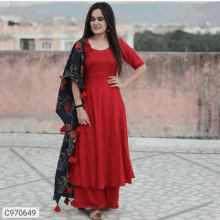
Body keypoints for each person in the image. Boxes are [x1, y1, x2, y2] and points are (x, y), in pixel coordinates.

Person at [54, 2, 147, 219]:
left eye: (100, 19)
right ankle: (91, 203)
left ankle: (106, 200)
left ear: (108, 21)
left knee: (109, 150)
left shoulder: (118, 44)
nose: (96, 23)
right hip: (88, 106)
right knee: (88, 152)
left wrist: (123, 83)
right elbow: (73, 79)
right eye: (93, 19)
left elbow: (141, 66)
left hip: (113, 106)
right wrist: (79, 108)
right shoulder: (81, 46)